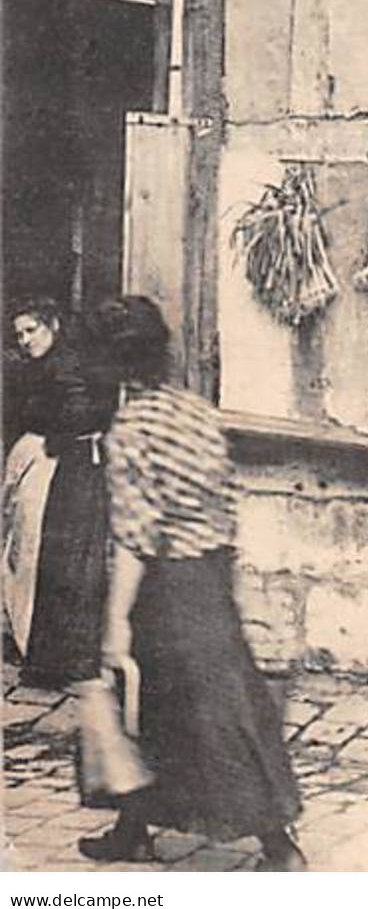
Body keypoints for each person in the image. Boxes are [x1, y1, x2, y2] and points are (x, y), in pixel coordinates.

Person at [76, 296, 304, 870]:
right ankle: (135, 827)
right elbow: (226, 501)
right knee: (204, 705)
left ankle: (278, 845)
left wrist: (115, 626)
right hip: (209, 575)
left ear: (111, 363)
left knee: (188, 713)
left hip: (164, 586)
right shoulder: (197, 411)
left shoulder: (130, 430)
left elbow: (134, 538)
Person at [2, 297, 117, 688]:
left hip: (77, 465)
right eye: (19, 334)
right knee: (63, 560)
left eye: (31, 330)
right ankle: (58, 659)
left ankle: (62, 661)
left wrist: (53, 438)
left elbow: (80, 413)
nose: (25, 340)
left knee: (68, 560)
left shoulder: (67, 364)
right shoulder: (46, 366)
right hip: (71, 463)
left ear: (52, 324)